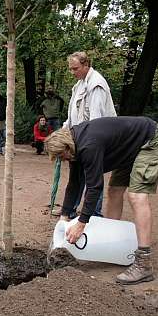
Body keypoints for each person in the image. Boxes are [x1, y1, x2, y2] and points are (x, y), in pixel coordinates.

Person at [45, 116, 158, 285]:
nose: (63, 160)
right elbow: (74, 183)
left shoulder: (88, 146)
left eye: (62, 156)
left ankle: (144, 263)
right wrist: (64, 216)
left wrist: (81, 223)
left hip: (148, 140)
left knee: (136, 195)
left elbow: (94, 187)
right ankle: (113, 240)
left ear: (67, 147)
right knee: (115, 191)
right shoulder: (74, 146)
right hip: (128, 149)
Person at [62, 51, 117, 219]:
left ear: (86, 65)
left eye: (75, 68)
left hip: (93, 140)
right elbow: (73, 114)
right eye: (70, 69)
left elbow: (96, 119)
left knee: (93, 178)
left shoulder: (96, 84)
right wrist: (64, 131)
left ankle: (94, 215)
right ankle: (69, 211)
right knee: (76, 176)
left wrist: (89, 144)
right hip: (78, 138)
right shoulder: (79, 84)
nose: (73, 72)